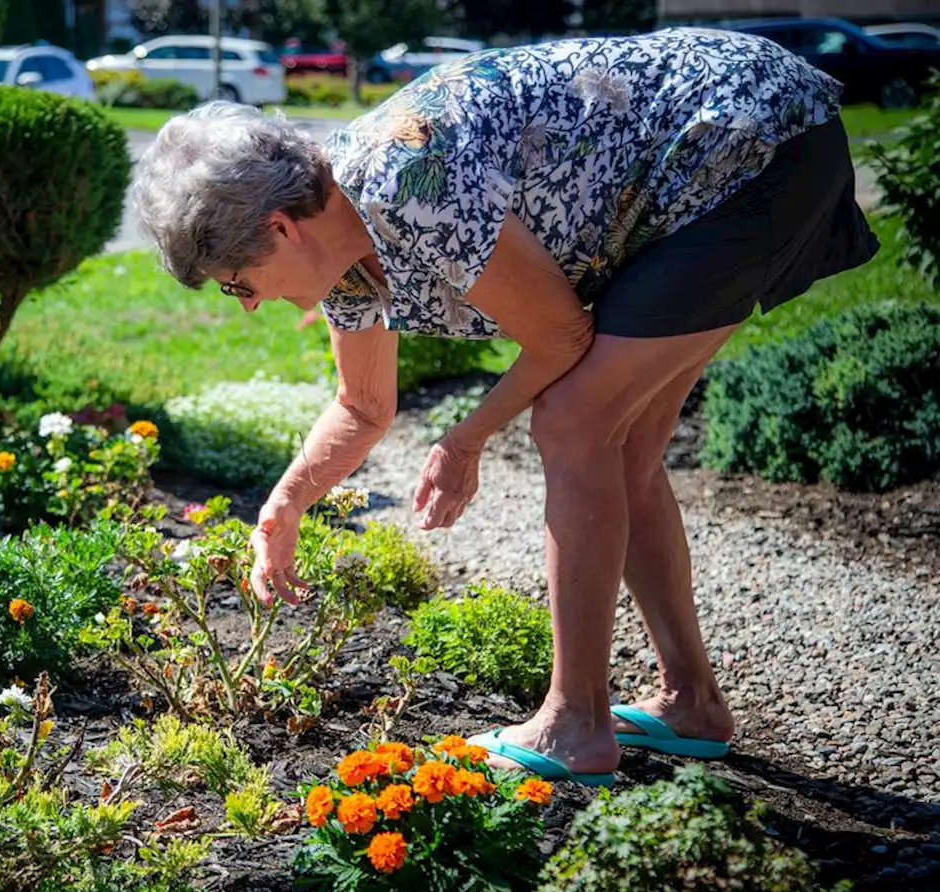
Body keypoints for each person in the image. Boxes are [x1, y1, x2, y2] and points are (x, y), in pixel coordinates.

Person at [129, 27, 879, 784]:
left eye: (236, 283)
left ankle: (575, 722)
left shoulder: (402, 181)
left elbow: (560, 337)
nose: (249, 306)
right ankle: (692, 702)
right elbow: (362, 406)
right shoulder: (344, 254)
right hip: (701, 173)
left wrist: (467, 439)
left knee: (574, 422)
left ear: (279, 228)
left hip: (749, 140)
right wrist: (283, 508)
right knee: (621, 443)